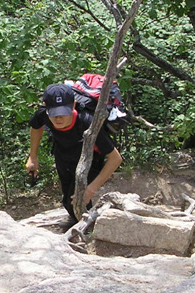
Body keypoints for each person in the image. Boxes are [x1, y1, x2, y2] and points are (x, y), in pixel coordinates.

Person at [27, 83, 123, 226]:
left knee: (75, 198)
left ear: (73, 105)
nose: (58, 118)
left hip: (90, 159)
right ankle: (77, 220)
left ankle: (90, 227)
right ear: (45, 107)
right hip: (62, 153)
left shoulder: (87, 121)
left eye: (63, 112)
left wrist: (91, 189)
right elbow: (36, 127)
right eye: (54, 113)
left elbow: (115, 159)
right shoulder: (43, 114)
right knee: (67, 197)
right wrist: (33, 156)